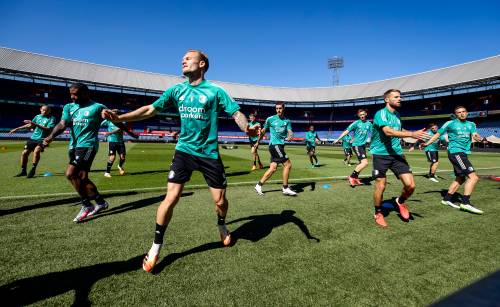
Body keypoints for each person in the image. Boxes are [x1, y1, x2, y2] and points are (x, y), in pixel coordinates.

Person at [102, 50, 249, 273]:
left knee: (220, 201)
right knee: (171, 197)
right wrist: (120, 118)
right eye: (183, 58)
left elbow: (236, 114)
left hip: (209, 153)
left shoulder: (216, 92)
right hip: (184, 151)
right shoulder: (176, 90)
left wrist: (248, 128)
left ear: (202, 64)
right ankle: (155, 247)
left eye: (188, 58)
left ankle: (221, 224)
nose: (183, 60)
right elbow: (150, 109)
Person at [43, 83, 110, 223]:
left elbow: (114, 119)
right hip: (73, 146)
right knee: (83, 178)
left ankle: (86, 205)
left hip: (88, 145)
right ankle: (101, 202)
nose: (73, 97)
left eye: (76, 94)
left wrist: (129, 131)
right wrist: (50, 137)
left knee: (70, 174)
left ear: (86, 93)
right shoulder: (69, 107)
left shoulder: (97, 107)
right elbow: (62, 124)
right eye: (71, 94)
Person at [370, 89, 429, 227]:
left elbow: (399, 130)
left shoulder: (397, 115)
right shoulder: (381, 113)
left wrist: (414, 135)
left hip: (396, 154)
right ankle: (378, 212)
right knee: (381, 185)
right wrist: (411, 134)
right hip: (380, 154)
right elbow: (388, 131)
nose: (399, 99)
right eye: (396, 97)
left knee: (410, 185)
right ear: (386, 99)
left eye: (400, 97)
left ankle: (400, 201)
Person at [424, 106, 484, 214]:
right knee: (473, 177)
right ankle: (465, 203)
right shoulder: (450, 123)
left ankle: (446, 199)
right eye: (459, 112)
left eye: (463, 112)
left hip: (464, 153)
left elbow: (475, 135)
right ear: (455, 114)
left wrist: (479, 138)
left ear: (467, 112)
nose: (461, 114)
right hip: (455, 152)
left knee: (460, 178)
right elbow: (438, 134)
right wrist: (427, 143)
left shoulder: (471, 124)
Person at [254, 102, 296, 196]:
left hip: (279, 146)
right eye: (277, 108)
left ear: (283, 108)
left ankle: (259, 185)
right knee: (288, 165)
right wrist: (257, 142)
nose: (278, 110)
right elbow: (263, 131)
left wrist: (290, 136)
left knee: (273, 168)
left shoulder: (287, 121)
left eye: (280, 108)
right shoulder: (270, 119)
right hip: (275, 145)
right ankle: (285, 188)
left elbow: (290, 131)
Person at [10, 105, 56, 178]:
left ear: (49, 111)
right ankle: (23, 171)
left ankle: (33, 169)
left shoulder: (52, 118)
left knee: (37, 151)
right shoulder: (37, 117)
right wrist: (17, 128)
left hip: (43, 139)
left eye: (47, 110)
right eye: (43, 110)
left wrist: (35, 124)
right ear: (40, 109)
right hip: (33, 138)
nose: (45, 111)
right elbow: (29, 125)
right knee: (24, 153)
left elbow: (48, 129)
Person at [334, 109, 372, 186]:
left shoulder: (369, 124)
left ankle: (355, 178)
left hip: (362, 146)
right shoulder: (356, 123)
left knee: (361, 163)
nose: (362, 116)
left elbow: (374, 133)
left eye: (363, 114)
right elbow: (347, 131)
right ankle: (351, 177)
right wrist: (338, 139)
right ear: (359, 116)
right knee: (365, 163)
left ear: (366, 114)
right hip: (357, 145)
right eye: (360, 115)